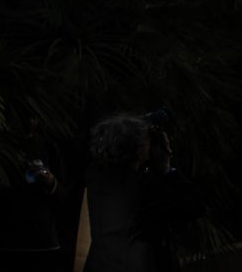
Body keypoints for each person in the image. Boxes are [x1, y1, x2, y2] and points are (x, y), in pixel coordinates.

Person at [76, 112, 202, 272]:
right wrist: (166, 167)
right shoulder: (144, 186)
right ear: (136, 148)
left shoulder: (94, 176)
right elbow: (195, 206)